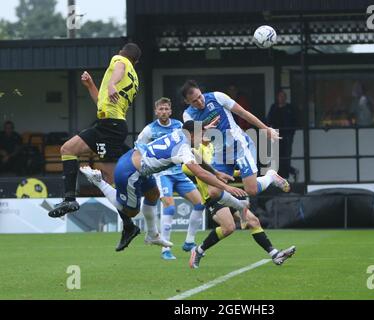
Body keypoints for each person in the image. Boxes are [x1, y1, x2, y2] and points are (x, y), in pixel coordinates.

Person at [80, 121, 249, 251]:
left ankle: (152, 235)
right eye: (201, 134)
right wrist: (226, 187)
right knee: (130, 212)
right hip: (129, 171)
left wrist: (216, 172)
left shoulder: (180, 133)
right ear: (192, 134)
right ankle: (99, 181)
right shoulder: (182, 147)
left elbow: (196, 156)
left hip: (138, 163)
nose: (204, 139)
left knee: (153, 194)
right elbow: (199, 173)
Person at [48, 43, 141, 225]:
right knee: (68, 149)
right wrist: (91, 85)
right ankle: (69, 199)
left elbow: (119, 69)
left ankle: (129, 224)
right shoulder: (134, 78)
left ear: (123, 53)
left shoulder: (120, 60)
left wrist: (112, 83)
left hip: (111, 126)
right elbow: (101, 102)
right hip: (107, 124)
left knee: (110, 177)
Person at [181, 136, 296, 268]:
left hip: (227, 193)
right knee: (229, 228)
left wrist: (239, 173)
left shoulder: (216, 148)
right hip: (213, 197)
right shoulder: (195, 150)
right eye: (203, 132)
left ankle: (275, 254)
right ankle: (198, 251)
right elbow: (185, 168)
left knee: (253, 221)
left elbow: (224, 170)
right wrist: (209, 170)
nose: (207, 134)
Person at [181, 80, 290, 211]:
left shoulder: (217, 97)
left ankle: (271, 176)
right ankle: (240, 206)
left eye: (200, 96)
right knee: (214, 192)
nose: (200, 101)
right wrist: (205, 131)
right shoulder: (188, 115)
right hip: (220, 152)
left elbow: (243, 113)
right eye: (194, 101)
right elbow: (199, 140)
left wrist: (265, 128)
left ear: (200, 91)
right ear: (187, 102)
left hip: (240, 147)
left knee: (252, 190)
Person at [136, 97, 207, 260]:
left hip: (179, 173)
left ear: (170, 110)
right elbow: (138, 146)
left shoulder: (178, 126)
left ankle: (189, 241)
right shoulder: (149, 130)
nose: (163, 112)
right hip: (162, 174)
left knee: (200, 203)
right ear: (156, 111)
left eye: (166, 109)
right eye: (160, 109)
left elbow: (190, 142)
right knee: (169, 207)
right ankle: (165, 249)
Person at [266, 90, 297, 179]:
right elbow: (269, 120)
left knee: (286, 155)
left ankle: (287, 176)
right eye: (280, 96)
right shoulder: (274, 107)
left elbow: (295, 120)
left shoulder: (289, 108)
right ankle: (280, 176)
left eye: (283, 96)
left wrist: (292, 131)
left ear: (286, 98)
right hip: (276, 135)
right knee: (277, 155)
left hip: (287, 135)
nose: (282, 98)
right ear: (277, 97)